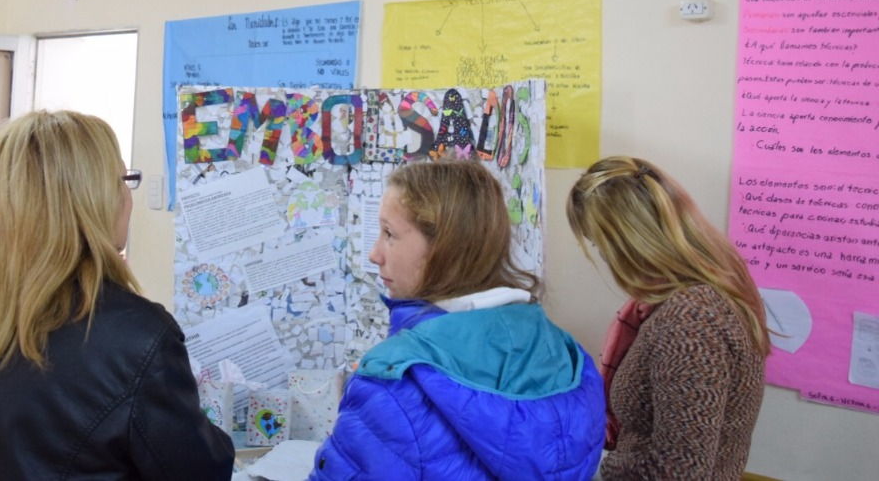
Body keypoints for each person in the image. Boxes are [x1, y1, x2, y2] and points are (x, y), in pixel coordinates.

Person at [0, 109, 234, 479]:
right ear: (94, 196)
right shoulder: (137, 335)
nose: (127, 196)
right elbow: (198, 470)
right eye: (123, 179)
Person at [310, 160, 604, 480]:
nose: (375, 254)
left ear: (444, 248)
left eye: (389, 234)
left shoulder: (391, 383)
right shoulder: (570, 359)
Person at [567, 156, 769, 480]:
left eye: (599, 245)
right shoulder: (695, 300)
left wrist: (597, 466)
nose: (604, 259)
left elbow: (680, 470)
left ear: (627, 245)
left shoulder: (691, 322)